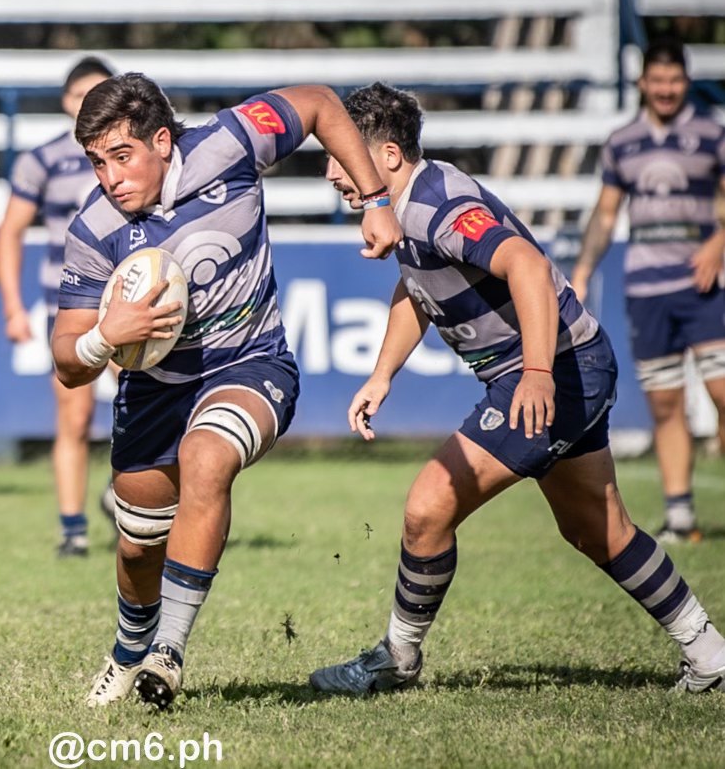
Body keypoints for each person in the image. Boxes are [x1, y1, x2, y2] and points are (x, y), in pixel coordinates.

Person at [309, 82, 725, 697]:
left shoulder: (436, 208)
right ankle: (711, 654)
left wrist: (534, 375)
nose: (330, 174)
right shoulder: (407, 202)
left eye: (340, 158)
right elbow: (417, 290)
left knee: (428, 508)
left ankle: (396, 658)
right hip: (571, 362)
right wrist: (382, 374)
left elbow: (527, 266)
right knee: (596, 529)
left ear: (388, 156)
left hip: (554, 370)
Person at [53, 72, 402, 710]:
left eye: (122, 157)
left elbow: (322, 103)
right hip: (155, 391)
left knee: (207, 458)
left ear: (162, 140)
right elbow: (65, 360)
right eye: (97, 162)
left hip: (252, 362)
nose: (109, 177)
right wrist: (107, 335)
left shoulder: (232, 140)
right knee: (136, 546)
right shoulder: (93, 228)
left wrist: (377, 199)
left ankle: (168, 652)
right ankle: (131, 648)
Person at [570, 38, 725, 544]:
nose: (665, 89)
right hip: (646, 288)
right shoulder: (622, 141)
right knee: (664, 404)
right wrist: (585, 267)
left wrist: (717, 245)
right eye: (657, 81)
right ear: (643, 83)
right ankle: (680, 515)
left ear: (686, 81)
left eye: (675, 80)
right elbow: (607, 212)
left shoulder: (711, 135)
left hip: (703, 285)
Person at [0, 56, 115, 558]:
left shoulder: (132, 156)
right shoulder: (42, 159)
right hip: (68, 302)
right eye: (80, 95)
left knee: (156, 404)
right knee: (75, 414)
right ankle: (73, 528)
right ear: (67, 102)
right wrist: (11, 306)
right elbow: (9, 233)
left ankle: (125, 496)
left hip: (133, 296)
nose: (88, 104)